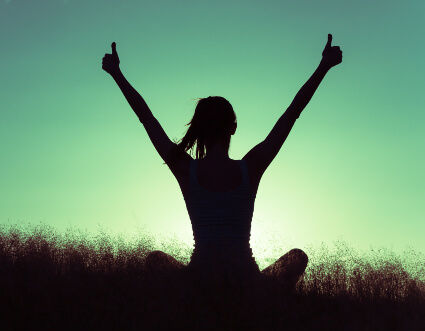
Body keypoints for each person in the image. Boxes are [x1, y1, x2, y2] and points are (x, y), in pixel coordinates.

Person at [101, 34, 343, 294]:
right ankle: (264, 306)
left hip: (198, 282)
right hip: (247, 284)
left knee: (154, 260)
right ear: (233, 128)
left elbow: (146, 118)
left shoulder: (186, 169)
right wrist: (323, 67)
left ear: (199, 129)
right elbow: (292, 113)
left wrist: (117, 74)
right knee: (298, 257)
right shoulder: (250, 167)